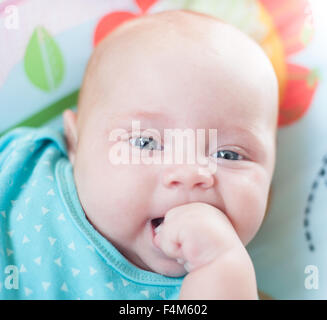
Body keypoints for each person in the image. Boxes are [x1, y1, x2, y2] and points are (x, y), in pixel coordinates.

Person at [0, 10, 278, 299]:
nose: (189, 172)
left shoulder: (217, 285)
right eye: (145, 142)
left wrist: (221, 266)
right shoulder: (26, 161)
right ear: (75, 143)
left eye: (229, 155)